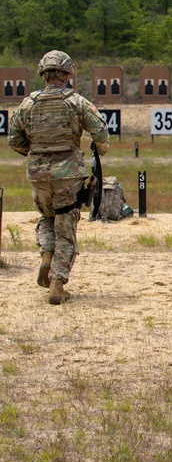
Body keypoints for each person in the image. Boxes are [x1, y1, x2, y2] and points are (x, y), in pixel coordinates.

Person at [8, 50, 110, 305]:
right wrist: (99, 149)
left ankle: (46, 255)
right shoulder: (76, 102)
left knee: (47, 217)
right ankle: (57, 282)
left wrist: (36, 153)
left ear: (44, 74)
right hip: (68, 176)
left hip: (38, 175)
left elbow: (14, 140)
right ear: (66, 74)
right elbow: (101, 133)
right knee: (66, 226)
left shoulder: (28, 104)